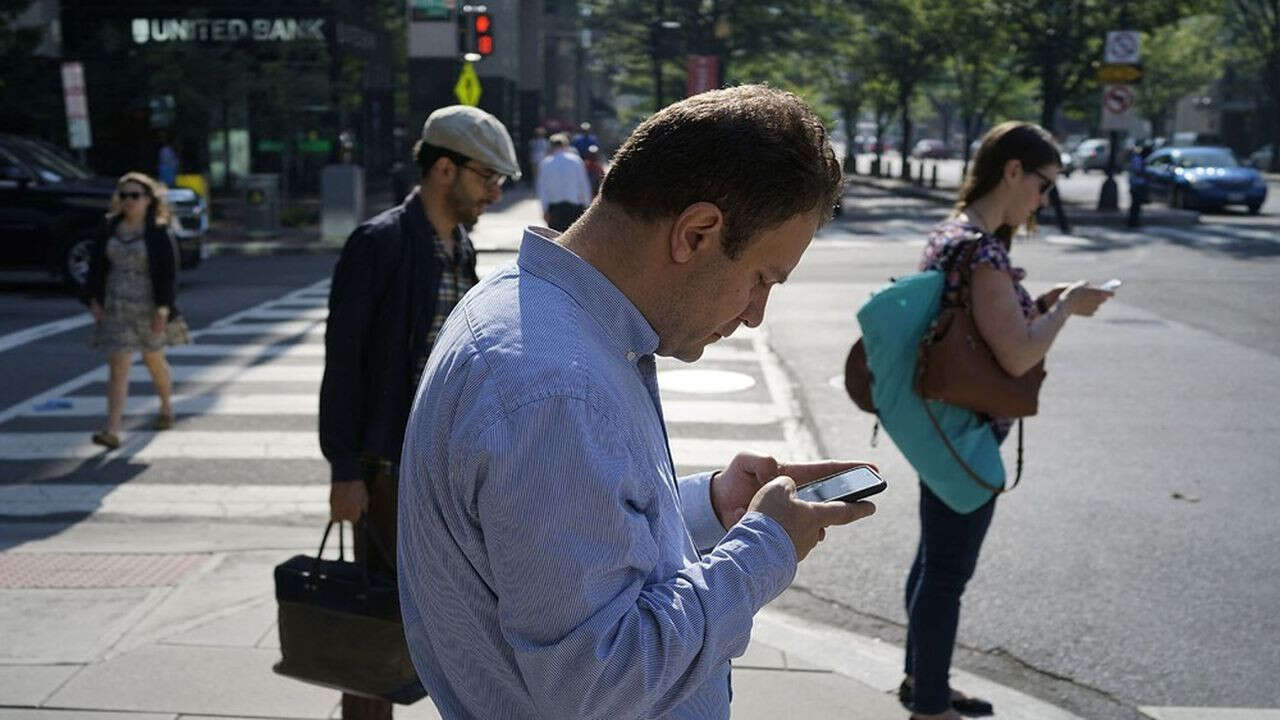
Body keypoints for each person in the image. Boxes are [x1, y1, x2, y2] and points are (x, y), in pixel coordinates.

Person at [398, 84, 878, 719]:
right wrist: (764, 549)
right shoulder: (555, 389)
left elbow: (561, 544)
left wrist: (708, 509)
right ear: (697, 232)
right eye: (762, 278)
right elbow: (602, 681)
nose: (757, 314)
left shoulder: (533, 314)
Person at [898, 121, 1112, 720]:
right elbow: (1016, 354)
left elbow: (987, 335)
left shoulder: (951, 235)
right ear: (1013, 171)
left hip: (938, 421)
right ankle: (930, 703)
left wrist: (1042, 306)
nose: (1045, 200)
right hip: (966, 431)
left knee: (932, 560)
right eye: (1043, 184)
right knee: (945, 571)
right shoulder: (982, 250)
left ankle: (924, 681)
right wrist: (1066, 307)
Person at [318, 104, 518, 720]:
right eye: (487, 177)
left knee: (448, 621)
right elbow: (344, 361)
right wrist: (345, 468)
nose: (495, 191)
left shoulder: (458, 247)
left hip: (445, 467)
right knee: (377, 628)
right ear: (442, 170)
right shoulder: (379, 244)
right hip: (386, 469)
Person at [83, 172, 191, 450]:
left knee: (154, 359)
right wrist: (92, 300)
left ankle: (166, 406)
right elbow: (95, 267)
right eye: (124, 195)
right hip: (115, 304)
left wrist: (163, 309)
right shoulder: (109, 227)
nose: (129, 201)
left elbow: (169, 273)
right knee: (118, 366)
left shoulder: (158, 231)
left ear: (148, 200)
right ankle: (113, 430)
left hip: (149, 305)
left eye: (135, 195)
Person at [536, 132, 593, 231]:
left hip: (555, 208)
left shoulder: (545, 163)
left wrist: (544, 209)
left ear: (551, 146)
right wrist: (587, 205)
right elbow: (584, 184)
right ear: (566, 145)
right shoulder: (576, 161)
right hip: (574, 207)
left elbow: (542, 189)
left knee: (557, 241)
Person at [1127, 141, 1152, 228]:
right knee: (1135, 204)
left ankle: (1135, 220)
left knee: (1137, 205)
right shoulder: (1137, 159)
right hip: (1136, 185)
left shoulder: (1140, 160)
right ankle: (1132, 221)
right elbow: (1137, 171)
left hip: (1139, 184)